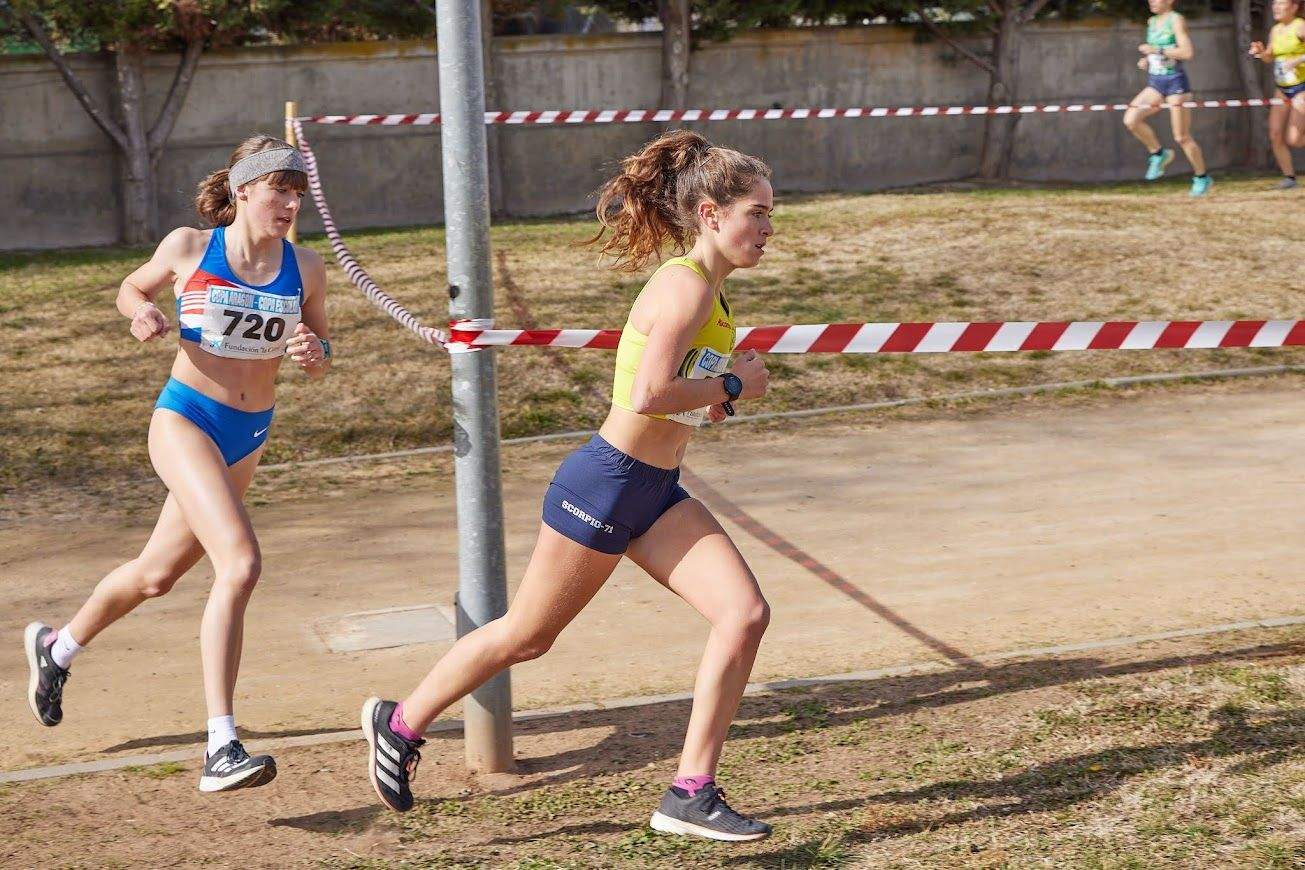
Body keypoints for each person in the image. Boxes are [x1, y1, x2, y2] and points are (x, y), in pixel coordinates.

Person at [360, 129, 777, 842]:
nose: (768, 229)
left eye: (771, 214)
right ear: (710, 214)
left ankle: (690, 790)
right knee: (526, 636)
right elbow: (646, 394)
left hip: (655, 490)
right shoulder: (683, 287)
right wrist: (733, 384)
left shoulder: (712, 292)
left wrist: (717, 399)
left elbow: (672, 396)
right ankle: (398, 723)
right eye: (757, 214)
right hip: (607, 484)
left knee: (743, 614)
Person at [24, 135, 331, 793]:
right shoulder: (191, 247)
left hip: (248, 435)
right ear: (243, 191)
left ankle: (58, 647)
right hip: (186, 420)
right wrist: (141, 311)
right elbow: (131, 287)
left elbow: (321, 347)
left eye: (297, 193)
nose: (289, 204)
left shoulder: (306, 267)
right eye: (278, 190)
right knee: (240, 564)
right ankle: (221, 745)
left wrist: (314, 353)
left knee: (156, 575)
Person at [1123, 0, 1213, 196]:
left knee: (1181, 137)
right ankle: (1158, 153)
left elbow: (1187, 52)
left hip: (1175, 84)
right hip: (1156, 83)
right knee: (1131, 120)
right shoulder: (1152, 22)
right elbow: (1157, 52)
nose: (1151, 1)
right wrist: (1147, 60)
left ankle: (1202, 177)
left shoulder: (1176, 20)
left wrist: (1157, 51)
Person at [1250, 0, 1305, 188]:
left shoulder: (1300, 26)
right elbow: (1269, 57)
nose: (1276, 7)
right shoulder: (1276, 30)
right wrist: (1261, 52)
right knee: (1275, 134)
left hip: (1301, 87)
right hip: (1282, 89)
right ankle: (1289, 178)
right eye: (1275, 4)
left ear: (1294, 7)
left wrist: (1298, 60)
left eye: (1281, 3)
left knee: (1294, 139)